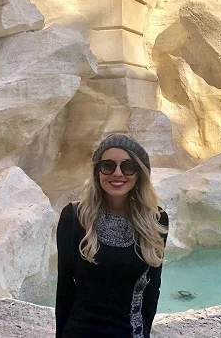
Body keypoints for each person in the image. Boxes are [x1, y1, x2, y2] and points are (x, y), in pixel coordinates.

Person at [55, 134, 169, 338]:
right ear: (97, 171)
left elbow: (152, 290)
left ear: (139, 173)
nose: (117, 173)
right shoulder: (74, 217)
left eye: (128, 166)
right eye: (108, 165)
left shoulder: (156, 220)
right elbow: (64, 288)